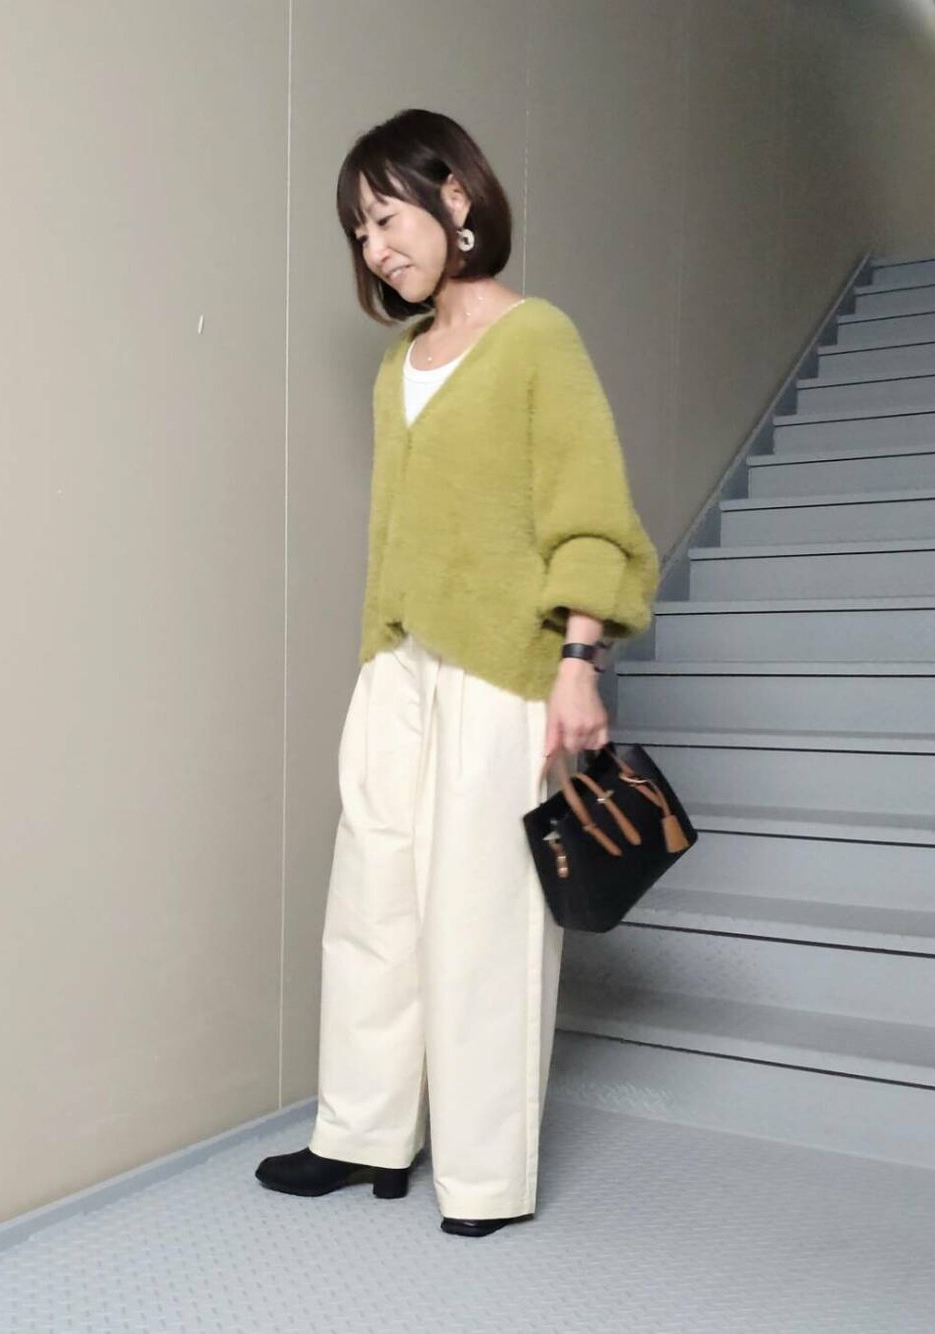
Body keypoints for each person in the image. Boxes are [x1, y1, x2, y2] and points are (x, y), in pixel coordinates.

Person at [255, 108, 660, 1238]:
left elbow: (590, 515)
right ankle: (363, 1135)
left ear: (457, 200)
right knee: (371, 902)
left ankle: (482, 1177)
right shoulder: (399, 364)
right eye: (359, 230)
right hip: (399, 661)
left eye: (387, 217)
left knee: (485, 921)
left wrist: (578, 662)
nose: (375, 246)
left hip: (504, 665)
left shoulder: (539, 339)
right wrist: (376, 649)